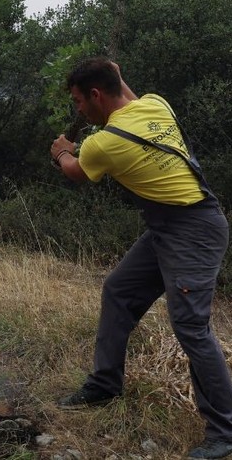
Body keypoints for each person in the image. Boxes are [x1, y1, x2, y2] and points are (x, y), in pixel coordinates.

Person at [50, 57, 232, 459]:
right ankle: (104, 385)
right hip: (172, 225)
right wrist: (115, 71)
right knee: (118, 290)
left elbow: (76, 172)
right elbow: (124, 94)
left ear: (96, 95)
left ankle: (224, 431)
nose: (78, 109)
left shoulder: (102, 143)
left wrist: (62, 151)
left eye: (79, 101)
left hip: (193, 232)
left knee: (191, 327)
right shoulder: (155, 104)